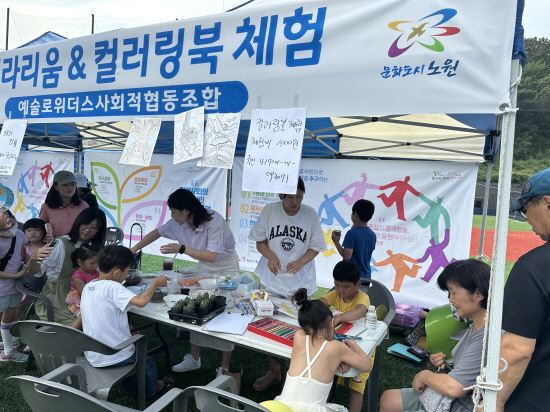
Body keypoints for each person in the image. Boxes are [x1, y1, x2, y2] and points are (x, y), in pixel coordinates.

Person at [130, 188, 239, 376]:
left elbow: (212, 256)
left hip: (226, 269)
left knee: (224, 310)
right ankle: (194, 359)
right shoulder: (178, 223)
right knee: (197, 306)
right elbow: (157, 232)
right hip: (204, 267)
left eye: (174, 211)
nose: (172, 215)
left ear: (186, 211)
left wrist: (181, 248)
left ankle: (225, 367)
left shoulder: (214, 221)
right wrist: (133, 249)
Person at [379, 259, 490, 412]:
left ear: (478, 294)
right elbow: (467, 373)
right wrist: (447, 365)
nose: (450, 299)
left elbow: (455, 387)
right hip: (454, 398)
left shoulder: (484, 336)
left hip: (463, 404)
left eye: (454, 292)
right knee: (389, 399)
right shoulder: (473, 325)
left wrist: (424, 375)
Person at [249, 177, 326, 391]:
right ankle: (275, 372)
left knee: (299, 329)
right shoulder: (270, 211)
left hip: (300, 283)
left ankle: (296, 376)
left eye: (299, 197)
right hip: (272, 279)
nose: (295, 202)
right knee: (268, 324)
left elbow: (316, 246)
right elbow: (260, 242)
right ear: (281, 194)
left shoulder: (309, 214)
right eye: (290, 197)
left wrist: (301, 261)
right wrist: (271, 256)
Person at [80, 245, 173, 398]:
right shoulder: (113, 287)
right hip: (113, 353)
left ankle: (131, 388)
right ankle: (152, 389)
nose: (127, 276)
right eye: (127, 271)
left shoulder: (89, 286)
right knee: (146, 361)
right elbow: (141, 302)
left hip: (93, 354)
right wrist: (155, 284)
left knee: (129, 353)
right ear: (116, 272)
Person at [497, 168, 550, 411]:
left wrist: (493, 402)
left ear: (547, 202)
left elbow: (516, 350)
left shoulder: (535, 266)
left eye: (525, 208)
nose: (525, 217)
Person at [274, 288, 372, 412]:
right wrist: (352, 345)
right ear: (332, 323)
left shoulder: (299, 337)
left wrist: (336, 358)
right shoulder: (337, 347)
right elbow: (366, 366)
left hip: (282, 408)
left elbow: (310, 336)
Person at [28, 208, 106, 326]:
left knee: (105, 321)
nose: (87, 229)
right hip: (59, 296)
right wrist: (33, 259)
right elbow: (36, 271)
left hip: (88, 294)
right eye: (85, 224)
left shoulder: (96, 249)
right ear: (78, 222)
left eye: (94, 227)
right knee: (84, 324)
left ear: (99, 230)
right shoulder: (60, 244)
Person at [318, 261, 371, 412]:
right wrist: (313, 305)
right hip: (339, 345)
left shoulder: (362, 297)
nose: (341, 290)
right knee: (327, 381)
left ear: (358, 284)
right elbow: (320, 302)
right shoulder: (335, 294)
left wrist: (340, 317)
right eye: (337, 285)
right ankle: (322, 407)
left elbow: (360, 311)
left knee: (356, 389)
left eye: (346, 287)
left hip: (359, 348)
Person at [0, 210, 29, 362]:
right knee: (4, 317)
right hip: (2, 287)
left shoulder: (19, 233)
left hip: (15, 286)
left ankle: (8, 348)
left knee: (9, 316)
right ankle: (8, 350)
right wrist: (16, 276)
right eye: (5, 226)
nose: (10, 226)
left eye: (11, 221)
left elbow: (24, 252)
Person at [331, 199, 376, 279]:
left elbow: (347, 256)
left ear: (356, 214)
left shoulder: (352, 233)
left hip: (352, 277)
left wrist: (336, 242)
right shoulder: (372, 234)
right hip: (366, 276)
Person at [39, 171, 89, 238]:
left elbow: (89, 227)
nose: (70, 188)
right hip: (54, 243)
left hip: (78, 244)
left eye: (72, 184)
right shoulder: (46, 207)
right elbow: (41, 228)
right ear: (56, 187)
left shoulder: (83, 205)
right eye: (65, 185)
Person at [65, 243, 101, 318]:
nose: (95, 266)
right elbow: (85, 294)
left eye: (97, 262)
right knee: (84, 316)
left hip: (93, 300)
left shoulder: (95, 272)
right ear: (80, 262)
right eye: (92, 263)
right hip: (78, 303)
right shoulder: (77, 277)